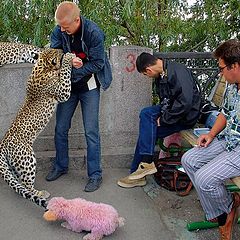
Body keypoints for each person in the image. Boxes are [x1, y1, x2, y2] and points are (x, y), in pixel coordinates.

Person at [45, 1, 112, 192]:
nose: (62, 30)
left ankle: (95, 175)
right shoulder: (59, 30)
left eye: (66, 27)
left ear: (77, 20)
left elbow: (98, 63)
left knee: (91, 131)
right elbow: (53, 55)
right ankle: (60, 166)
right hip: (68, 86)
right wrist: (66, 60)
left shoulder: (93, 33)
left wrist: (79, 69)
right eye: (60, 26)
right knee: (60, 128)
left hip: (89, 86)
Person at [181, 39, 240, 239]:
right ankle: (220, 210)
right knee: (188, 160)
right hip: (227, 139)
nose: (221, 73)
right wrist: (210, 134)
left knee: (204, 178)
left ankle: (227, 212)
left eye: (222, 68)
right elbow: (224, 113)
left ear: (236, 66)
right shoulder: (233, 86)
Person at [117, 52, 201, 188]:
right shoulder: (162, 73)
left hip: (186, 116)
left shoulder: (177, 71)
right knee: (146, 117)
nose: (147, 77)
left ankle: (138, 172)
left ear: (148, 70)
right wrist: (162, 114)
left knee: (148, 133)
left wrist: (163, 120)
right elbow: (165, 101)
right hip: (172, 111)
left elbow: (185, 103)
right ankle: (144, 166)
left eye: (145, 74)